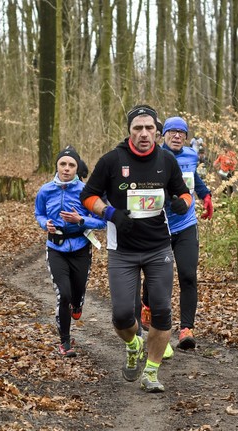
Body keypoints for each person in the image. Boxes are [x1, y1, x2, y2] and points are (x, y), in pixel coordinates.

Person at [80, 104, 191, 393]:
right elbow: (88, 195)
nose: (144, 134)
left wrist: (182, 203)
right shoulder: (112, 161)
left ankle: (151, 372)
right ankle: (133, 345)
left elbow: (185, 193)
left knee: (162, 310)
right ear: (129, 130)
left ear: (157, 130)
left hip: (158, 247)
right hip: (123, 250)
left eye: (149, 128)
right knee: (121, 315)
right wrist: (110, 213)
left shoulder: (167, 160)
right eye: (137, 128)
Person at [139, 117, 213, 352]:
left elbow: (194, 178)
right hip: (159, 225)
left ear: (187, 137)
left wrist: (206, 195)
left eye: (182, 133)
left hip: (186, 224)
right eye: (172, 132)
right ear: (164, 135)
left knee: (188, 275)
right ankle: (147, 305)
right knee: (156, 276)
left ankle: (186, 329)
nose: (177, 136)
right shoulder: (154, 156)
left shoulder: (191, 156)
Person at [35, 147, 106, 357]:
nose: (66, 169)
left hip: (81, 248)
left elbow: (102, 222)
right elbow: (38, 212)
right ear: (56, 166)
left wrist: (81, 220)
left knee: (77, 291)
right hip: (56, 247)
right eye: (63, 164)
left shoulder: (86, 192)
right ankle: (65, 342)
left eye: (71, 165)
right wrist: (44, 223)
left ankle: (79, 302)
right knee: (63, 294)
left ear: (77, 168)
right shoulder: (45, 190)